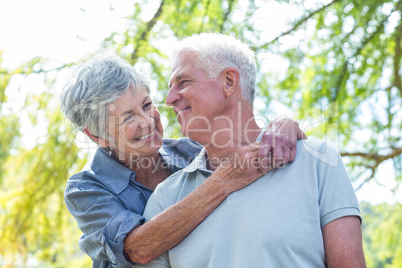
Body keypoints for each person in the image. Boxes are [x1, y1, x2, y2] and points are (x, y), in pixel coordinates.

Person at [137, 33, 366, 268]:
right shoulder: (166, 198)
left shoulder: (318, 164)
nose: (169, 98)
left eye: (183, 82)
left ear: (228, 81)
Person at [60, 54, 305, 267]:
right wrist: (223, 181)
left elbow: (247, 147)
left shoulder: (190, 150)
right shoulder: (86, 188)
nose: (147, 121)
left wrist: (281, 125)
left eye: (147, 105)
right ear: (97, 135)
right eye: (128, 118)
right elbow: (137, 248)